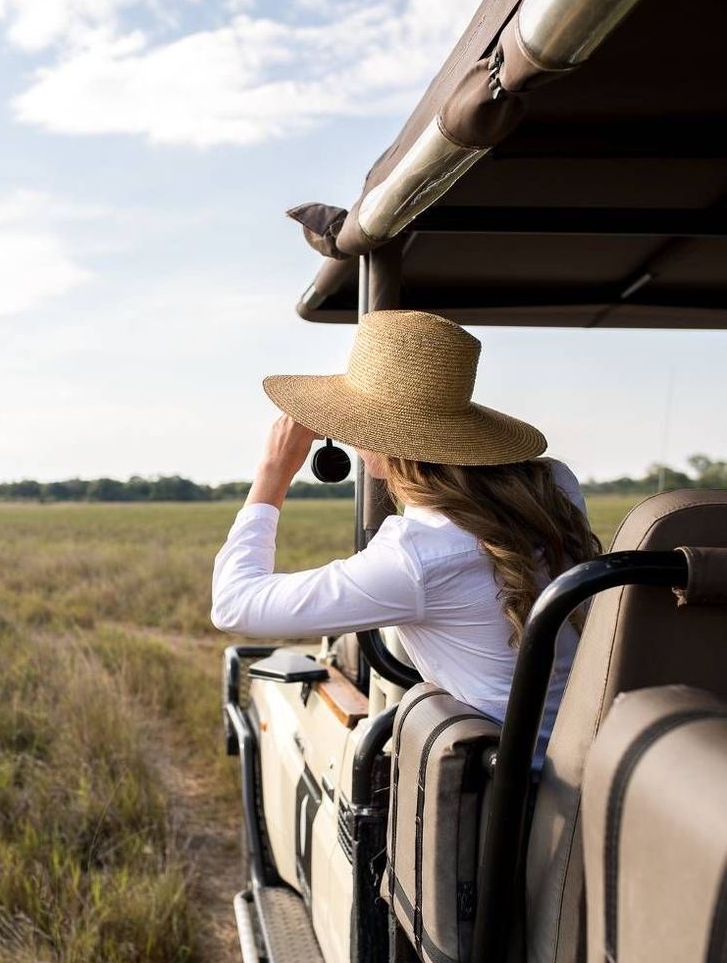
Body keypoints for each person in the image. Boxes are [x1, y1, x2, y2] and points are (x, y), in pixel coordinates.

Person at [211, 310, 600, 758]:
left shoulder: (416, 555)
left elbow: (233, 604)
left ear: (377, 432)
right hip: (584, 759)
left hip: (517, 794)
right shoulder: (554, 484)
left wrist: (272, 473)